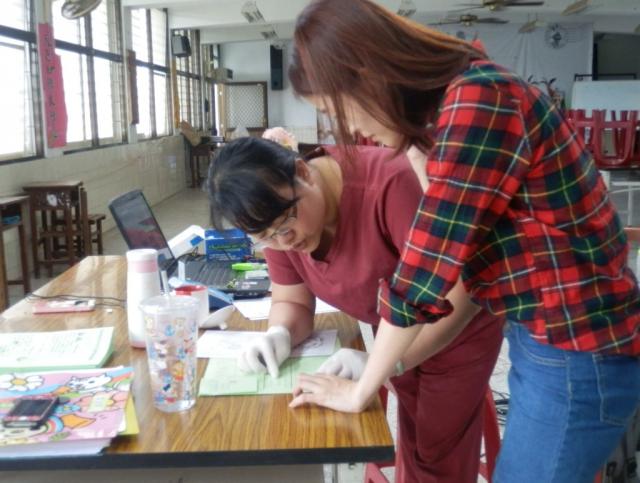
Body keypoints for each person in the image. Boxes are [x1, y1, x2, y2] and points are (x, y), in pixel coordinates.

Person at [287, 1, 640, 482]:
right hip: (544, 334)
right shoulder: (460, 99)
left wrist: (362, 388)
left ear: (366, 75)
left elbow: (427, 266)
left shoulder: (479, 98)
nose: (347, 130)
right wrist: (412, 143)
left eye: (336, 110)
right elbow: (455, 224)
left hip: (578, 343)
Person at [207, 135, 504, 482]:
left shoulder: (391, 187)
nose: (284, 241)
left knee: (437, 458)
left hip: (455, 329)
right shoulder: (274, 220)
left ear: (303, 172)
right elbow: (292, 300)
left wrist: (385, 362)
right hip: (395, 328)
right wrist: (280, 333)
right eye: (265, 238)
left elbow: (461, 288)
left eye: (286, 225)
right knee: (414, 442)